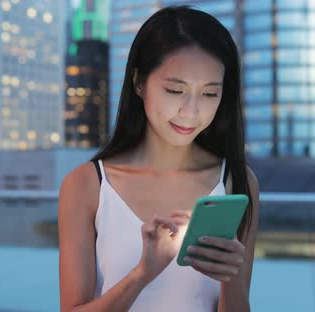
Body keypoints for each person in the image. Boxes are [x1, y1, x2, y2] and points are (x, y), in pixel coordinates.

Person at [58, 6, 259, 312]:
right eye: (175, 90)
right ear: (139, 82)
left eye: (209, 94)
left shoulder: (236, 181)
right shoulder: (86, 186)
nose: (191, 111)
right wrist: (143, 274)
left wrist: (229, 278)